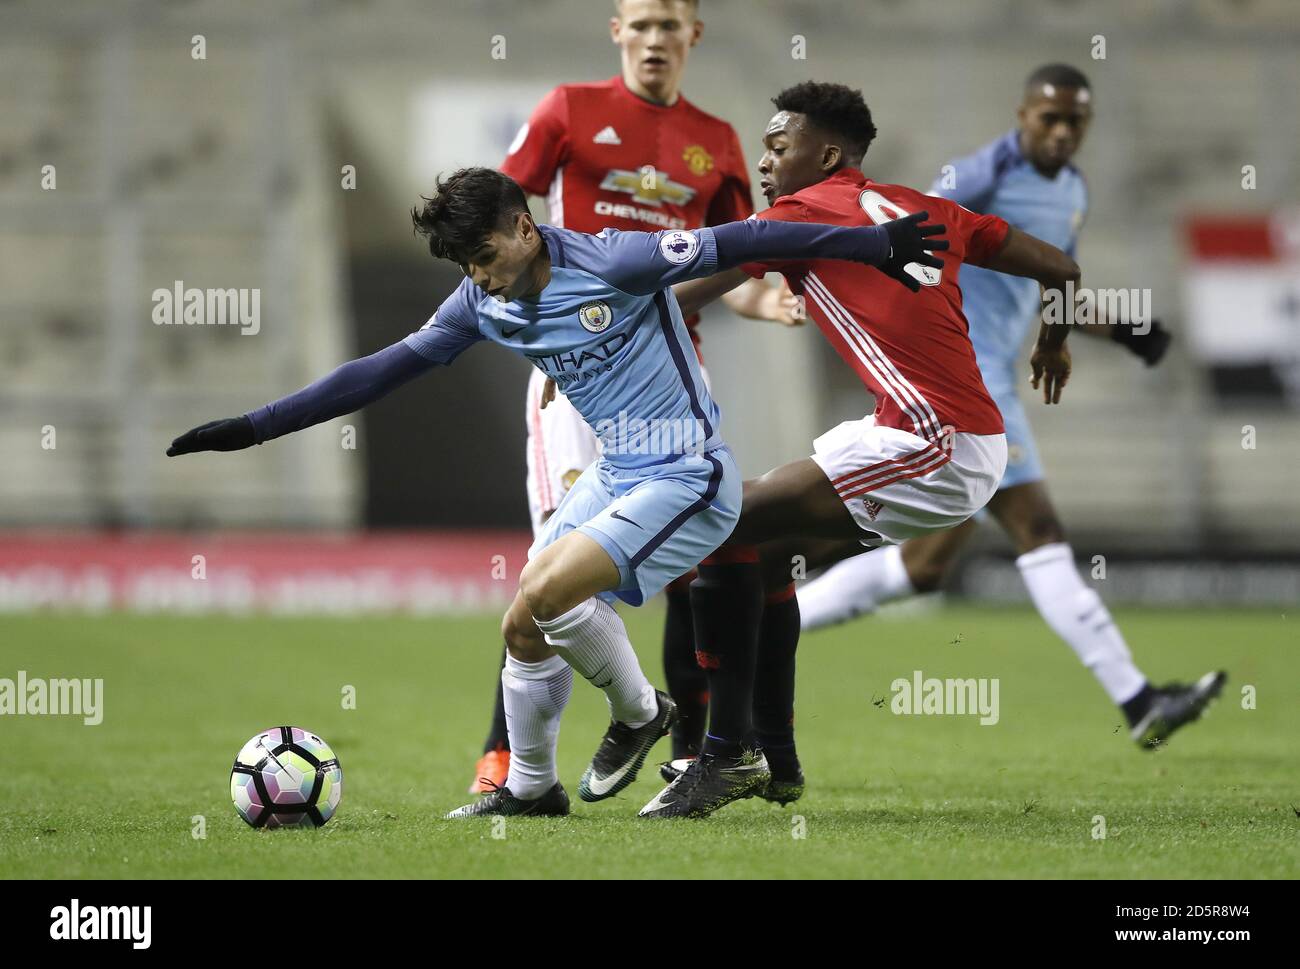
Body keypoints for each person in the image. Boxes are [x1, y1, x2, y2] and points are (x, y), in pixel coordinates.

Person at [165, 165, 944, 818]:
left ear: (524, 226)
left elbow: (750, 237)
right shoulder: (481, 300)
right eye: (464, 265)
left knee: (543, 588)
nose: (478, 276)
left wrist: (874, 244)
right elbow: (378, 370)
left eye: (483, 254)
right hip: (615, 474)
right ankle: (532, 789)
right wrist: (255, 425)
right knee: (522, 625)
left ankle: (642, 713)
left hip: (687, 472)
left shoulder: (616, 261)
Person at [639, 80, 1084, 819]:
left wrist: (583, 342)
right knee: (768, 548)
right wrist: (1055, 343)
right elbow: (1062, 269)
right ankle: (772, 759)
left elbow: (687, 293)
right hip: (929, 432)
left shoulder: (800, 214)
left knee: (717, 520)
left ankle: (721, 754)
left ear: (829, 153)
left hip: (934, 439)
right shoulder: (928, 207)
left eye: (781, 147)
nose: (766, 160)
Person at [795, 65, 1224, 749]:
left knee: (925, 568)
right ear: (1021, 115)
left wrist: (1125, 331)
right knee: (1040, 531)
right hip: (970, 385)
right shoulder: (977, 176)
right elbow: (908, 238)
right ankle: (1140, 700)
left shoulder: (1072, 190)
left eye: (1074, 120)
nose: (1060, 132)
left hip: (989, 383)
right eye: (1047, 118)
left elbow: (1051, 283)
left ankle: (767, 618)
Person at [467, 0, 802, 794]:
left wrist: (768, 300)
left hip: (672, 372)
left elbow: (735, 264)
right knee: (552, 564)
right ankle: (506, 754)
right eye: (642, 23)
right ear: (617, 29)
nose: (656, 39)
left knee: (694, 563)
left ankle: (690, 745)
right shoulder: (570, 111)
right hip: (576, 377)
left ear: (695, 35)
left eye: (670, 25)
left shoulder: (717, 140)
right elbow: (497, 218)